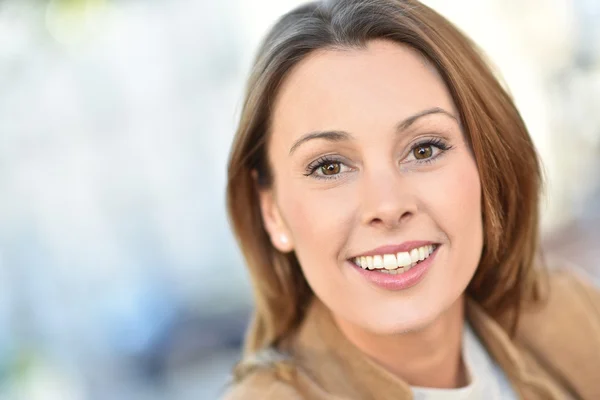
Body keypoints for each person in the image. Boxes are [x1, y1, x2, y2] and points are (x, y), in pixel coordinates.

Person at [224, 0, 600, 398]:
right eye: (329, 167)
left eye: (424, 150)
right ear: (272, 213)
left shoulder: (573, 314)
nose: (387, 206)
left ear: (487, 164)